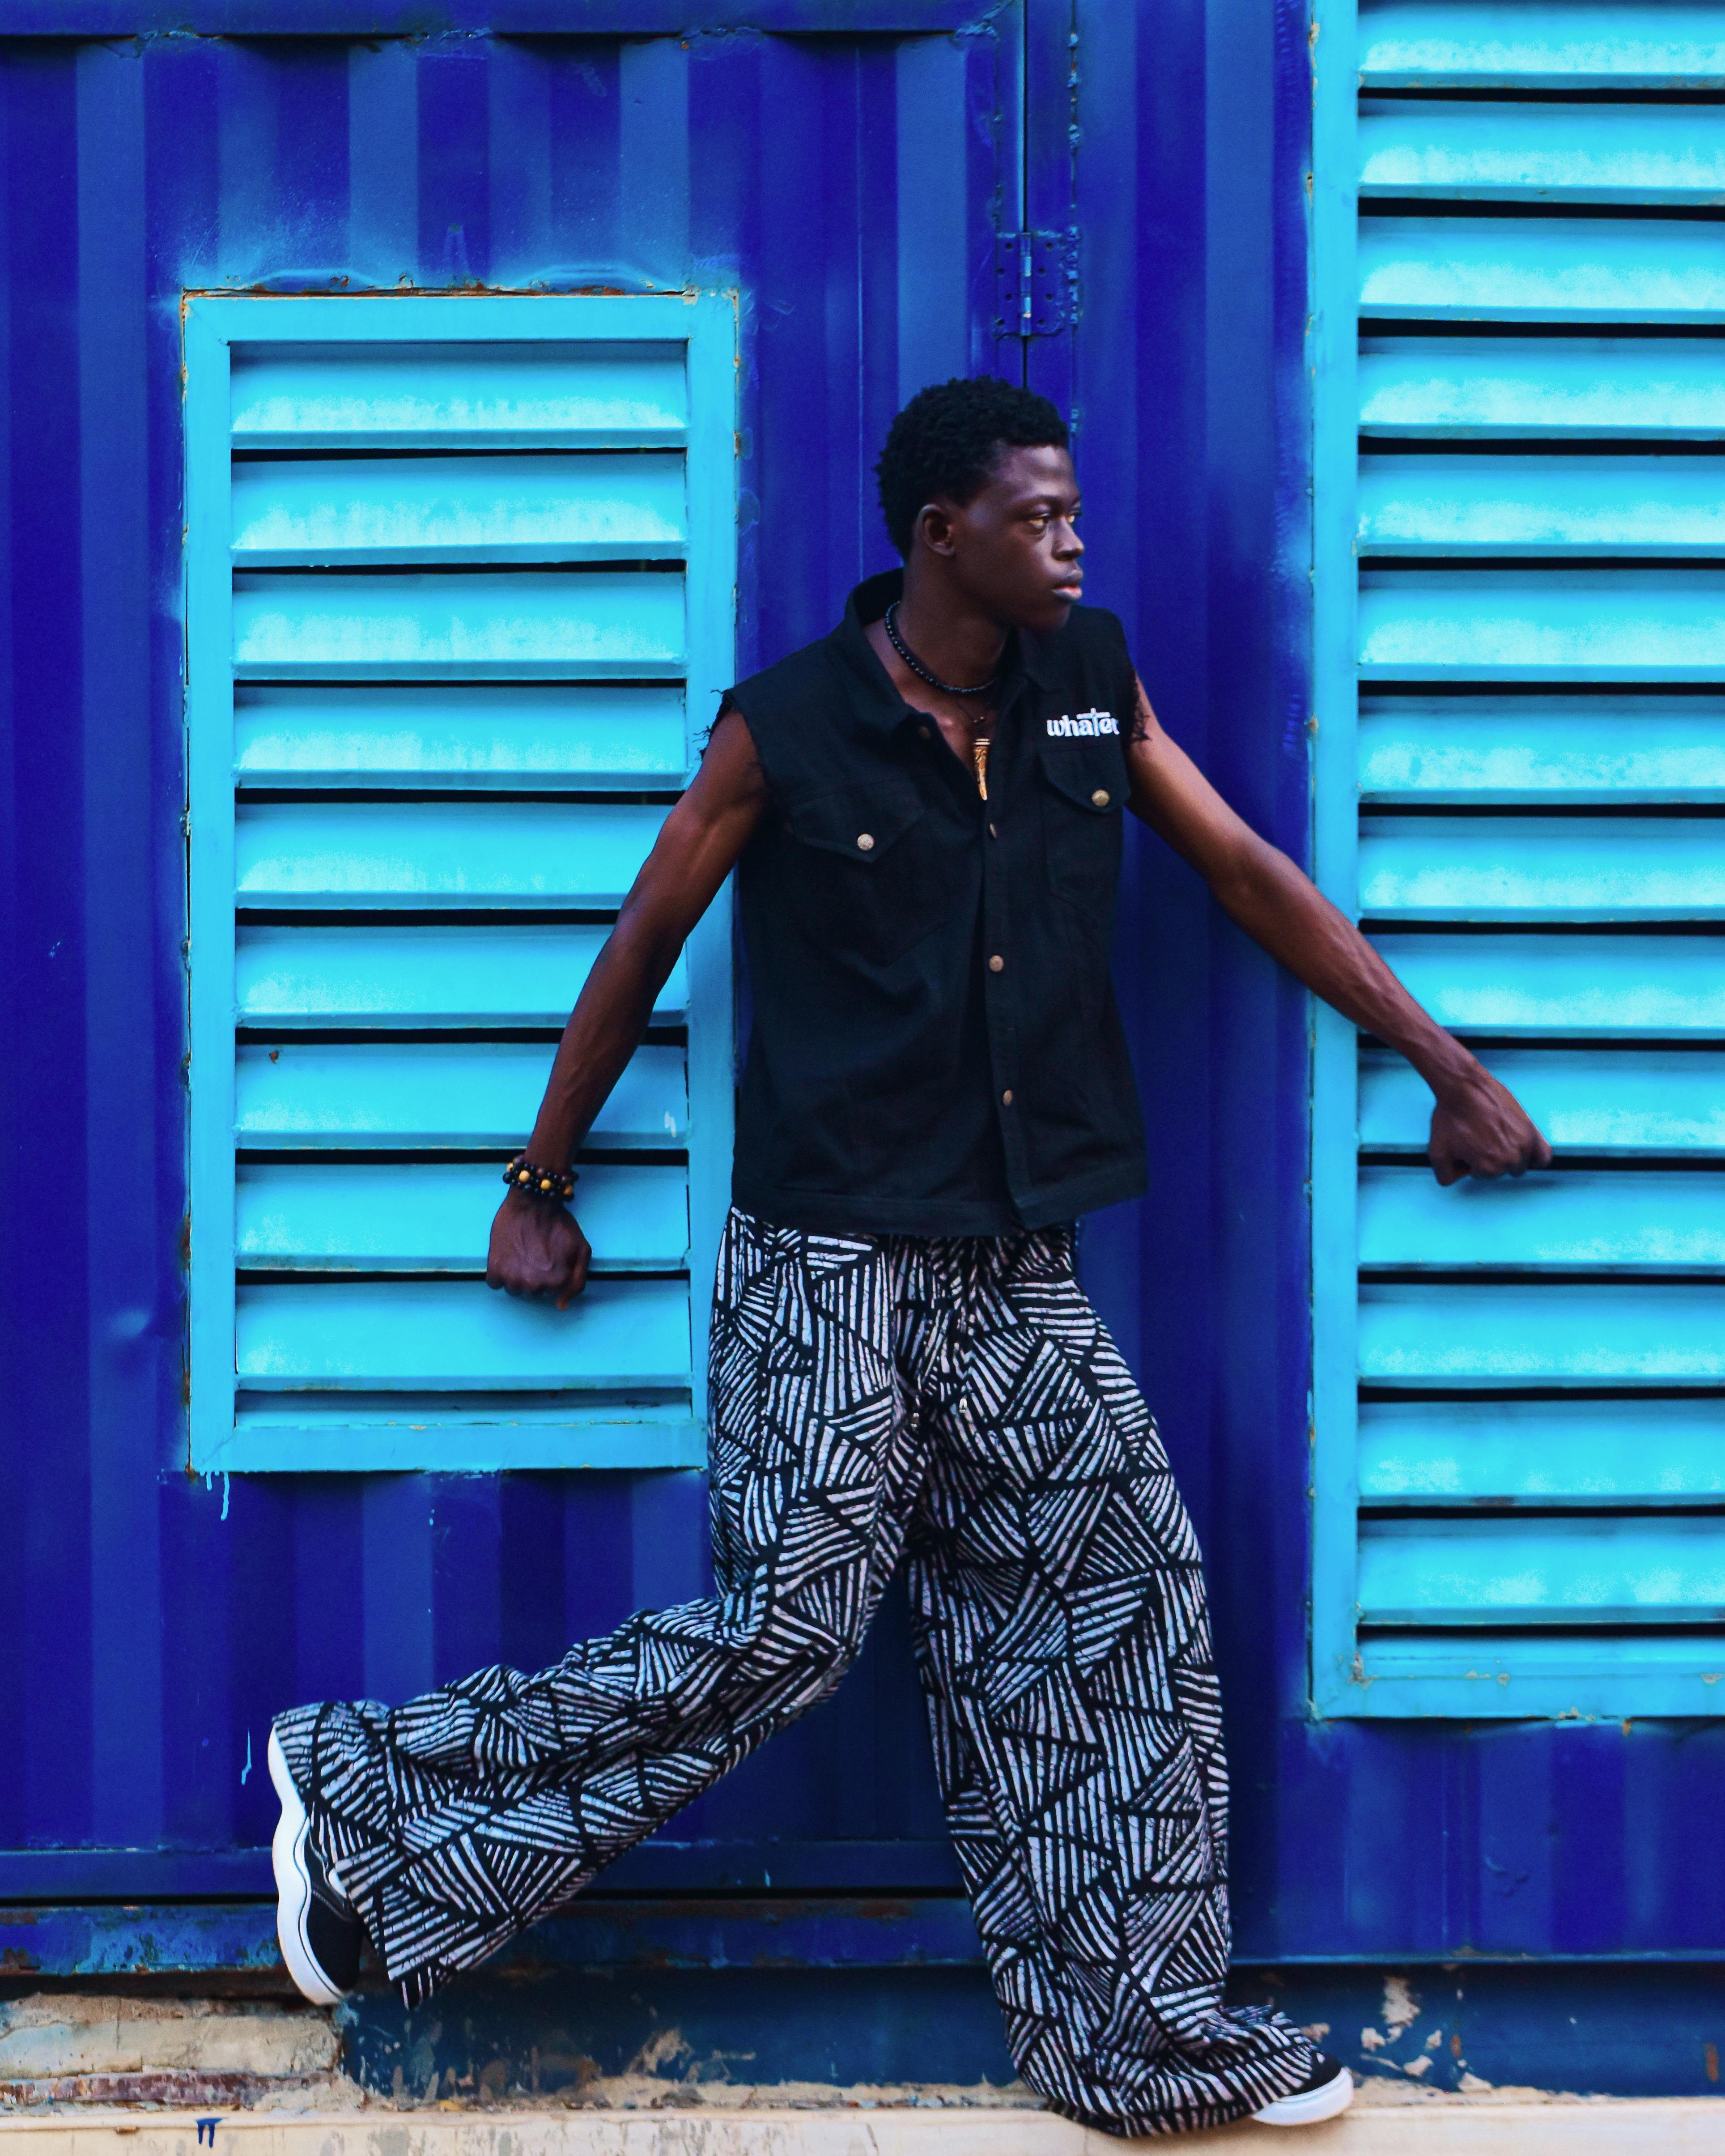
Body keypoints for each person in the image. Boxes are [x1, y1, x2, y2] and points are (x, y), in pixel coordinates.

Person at [267, 377, 1550, 2136]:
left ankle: (1137, 2037)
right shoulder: (785, 727)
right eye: (1038, 515)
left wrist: (1446, 1064)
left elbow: (1246, 868)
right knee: (790, 1630)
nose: (1073, 539)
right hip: (828, 1265)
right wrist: (538, 1173)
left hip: (1014, 1259)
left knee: (1127, 1611)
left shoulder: (1090, 684)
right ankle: (367, 1785)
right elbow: (648, 932)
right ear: (940, 532)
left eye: (1074, 510)